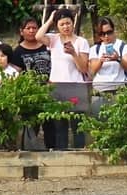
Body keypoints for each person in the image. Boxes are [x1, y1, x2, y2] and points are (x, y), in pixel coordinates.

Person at [40, 7, 88, 149]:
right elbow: (38, 36)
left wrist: (73, 53)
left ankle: (80, 155)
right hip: (57, 87)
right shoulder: (53, 40)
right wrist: (50, 19)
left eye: (68, 23)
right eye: (62, 24)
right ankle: (61, 154)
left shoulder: (81, 42)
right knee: (59, 126)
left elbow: (83, 68)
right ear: (57, 26)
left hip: (76, 86)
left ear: (73, 23)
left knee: (77, 125)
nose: (66, 27)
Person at [86, 17, 127, 102]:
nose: (106, 36)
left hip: (119, 89)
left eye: (109, 32)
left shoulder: (123, 46)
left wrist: (118, 58)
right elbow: (92, 71)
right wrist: (100, 61)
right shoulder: (95, 49)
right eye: (102, 34)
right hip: (100, 90)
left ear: (113, 30)